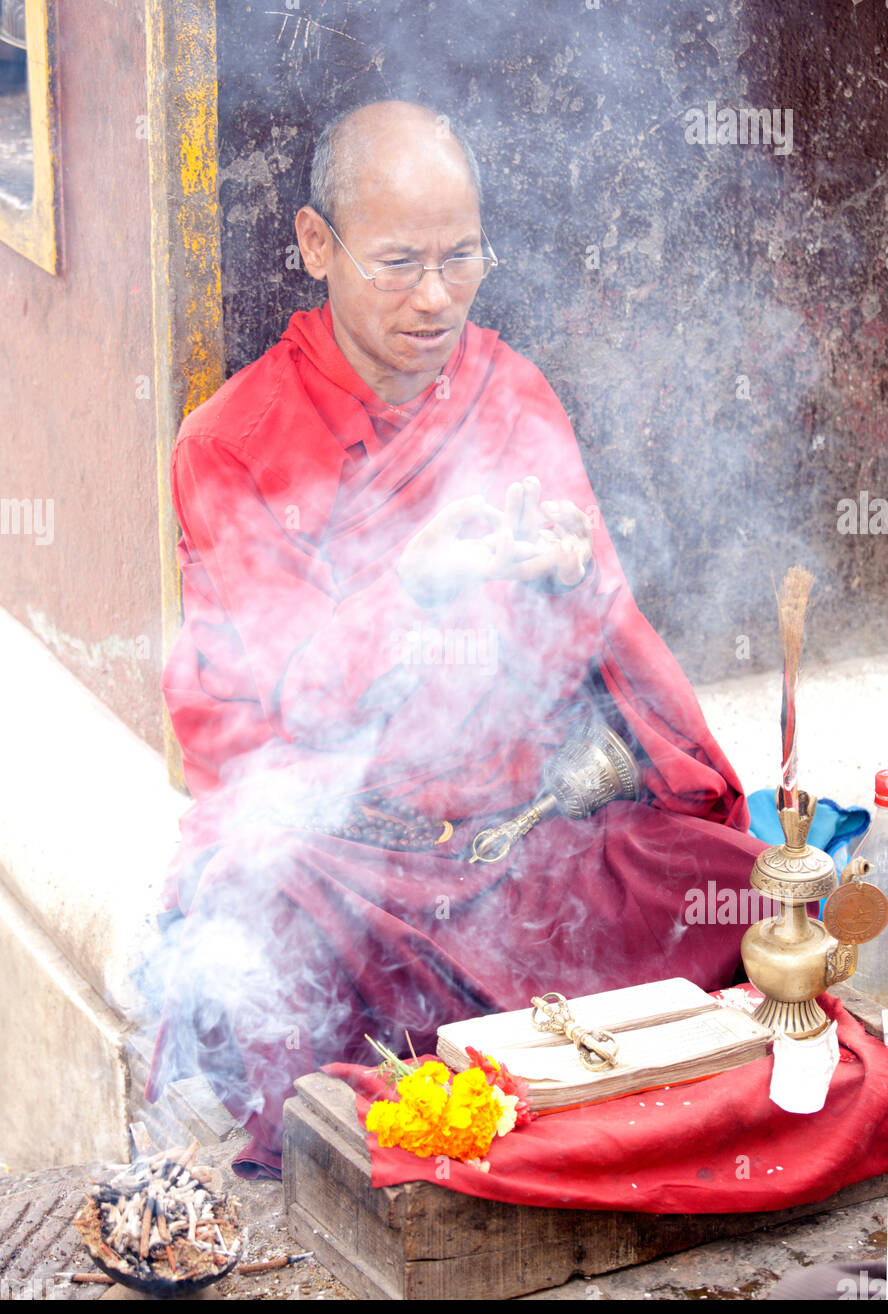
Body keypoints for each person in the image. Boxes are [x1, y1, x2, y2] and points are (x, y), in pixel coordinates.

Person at [146, 101, 761, 1179]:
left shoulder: (509, 392)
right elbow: (267, 717)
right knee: (255, 982)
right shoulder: (232, 445)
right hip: (355, 864)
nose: (435, 299)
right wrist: (411, 593)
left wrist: (572, 586)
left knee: (742, 894)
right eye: (397, 263)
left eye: (460, 257)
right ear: (316, 246)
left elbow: (609, 657)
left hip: (523, 849)